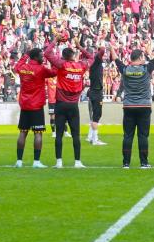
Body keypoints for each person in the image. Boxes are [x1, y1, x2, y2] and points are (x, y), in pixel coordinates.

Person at [45, 38, 97, 168]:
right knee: (75, 135)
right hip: (74, 106)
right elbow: (91, 58)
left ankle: (59, 162)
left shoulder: (61, 65)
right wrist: (80, 47)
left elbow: (47, 53)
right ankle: (77, 162)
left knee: (59, 134)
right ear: (73, 56)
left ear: (63, 57)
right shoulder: (81, 66)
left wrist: (55, 40)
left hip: (60, 104)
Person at [115, 46, 154, 168]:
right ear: (141, 57)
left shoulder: (125, 69)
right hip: (144, 107)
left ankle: (126, 163)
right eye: (143, 56)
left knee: (127, 135)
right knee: (143, 135)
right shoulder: (146, 68)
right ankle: (144, 162)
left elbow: (116, 59)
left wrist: (111, 48)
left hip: (128, 106)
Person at [13, 47, 58, 168]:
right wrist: (52, 59)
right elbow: (55, 72)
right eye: (41, 56)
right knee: (38, 133)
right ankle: (36, 162)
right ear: (36, 57)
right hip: (36, 106)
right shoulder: (41, 69)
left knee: (23, 133)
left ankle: (19, 161)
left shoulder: (23, 68)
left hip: (25, 105)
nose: (42, 58)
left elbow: (16, 66)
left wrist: (26, 55)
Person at [86, 44, 107, 146]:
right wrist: (102, 46)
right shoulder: (96, 62)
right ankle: (95, 139)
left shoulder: (94, 64)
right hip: (97, 92)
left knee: (94, 116)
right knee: (96, 116)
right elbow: (102, 50)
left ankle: (90, 137)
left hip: (93, 92)